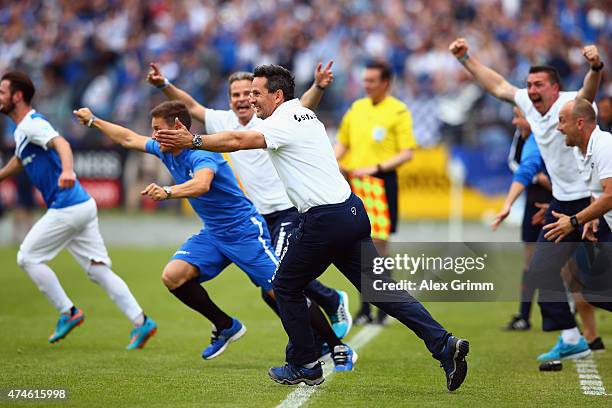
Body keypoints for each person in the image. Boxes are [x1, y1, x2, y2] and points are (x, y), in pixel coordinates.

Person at [154, 64, 469, 391]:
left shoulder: (281, 121)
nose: (251, 100)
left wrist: (193, 140)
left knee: (284, 286)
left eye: (256, 93)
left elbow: (237, 139)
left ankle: (305, 363)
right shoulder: (303, 114)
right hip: (351, 211)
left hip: (324, 220)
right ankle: (444, 343)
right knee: (379, 291)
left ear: (277, 95)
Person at [73, 101, 355, 370]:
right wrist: (94, 121)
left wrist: (169, 191)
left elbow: (202, 183)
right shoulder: (163, 149)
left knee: (280, 290)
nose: (154, 135)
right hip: (214, 233)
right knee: (173, 276)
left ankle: (336, 345)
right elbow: (128, 138)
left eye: (158, 128)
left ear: (177, 127)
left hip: (244, 231)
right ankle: (225, 326)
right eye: (153, 129)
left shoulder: (201, 153)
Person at [146, 61, 352, 339]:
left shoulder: (268, 116)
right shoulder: (223, 121)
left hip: (287, 211)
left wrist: (317, 86)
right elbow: (191, 106)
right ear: (230, 99)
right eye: (236, 95)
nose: (243, 99)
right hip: (258, 214)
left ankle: (328, 310)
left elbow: (302, 107)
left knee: (282, 275)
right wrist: (163, 85)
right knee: (271, 290)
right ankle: (314, 337)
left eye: (249, 93)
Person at [449, 37, 604, 360]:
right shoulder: (528, 104)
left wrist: (595, 67)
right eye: (529, 84)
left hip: (592, 202)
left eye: (538, 85)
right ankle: (571, 337)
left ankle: (580, 332)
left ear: (555, 88)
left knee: (596, 285)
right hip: (561, 201)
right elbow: (497, 85)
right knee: (540, 270)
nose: (531, 90)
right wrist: (466, 59)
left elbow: (589, 92)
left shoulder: (571, 103)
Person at [0, 71, 157, 349]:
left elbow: (62, 143)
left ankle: (69, 312)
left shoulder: (31, 124)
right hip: (82, 205)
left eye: (2, 92)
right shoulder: (24, 129)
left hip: (68, 205)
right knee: (97, 270)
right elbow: (20, 159)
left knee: (27, 257)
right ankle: (141, 321)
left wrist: (69, 169)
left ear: (17, 96)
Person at [334, 61, 416, 325]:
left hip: (381, 182)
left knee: (379, 246)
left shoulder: (398, 111)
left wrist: (376, 167)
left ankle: (383, 307)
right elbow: (343, 144)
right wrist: (332, 162)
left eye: (371, 81)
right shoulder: (357, 108)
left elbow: (406, 152)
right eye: (365, 80)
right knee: (357, 245)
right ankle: (365, 308)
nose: (366, 85)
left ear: (386, 83)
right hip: (355, 184)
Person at [544, 98, 612, 311]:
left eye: (562, 121)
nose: (558, 128)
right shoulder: (579, 151)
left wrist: (574, 221)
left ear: (580, 123)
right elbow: (597, 190)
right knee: (597, 292)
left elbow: (610, 195)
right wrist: (592, 215)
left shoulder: (605, 146)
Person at [492, 107, 552, 331]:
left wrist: (552, 181)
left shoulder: (551, 132)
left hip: (559, 201)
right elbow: (514, 163)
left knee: (566, 262)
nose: (514, 121)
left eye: (518, 116)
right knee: (530, 259)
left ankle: (572, 316)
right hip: (533, 201)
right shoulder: (521, 137)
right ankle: (524, 314)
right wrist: (537, 177)